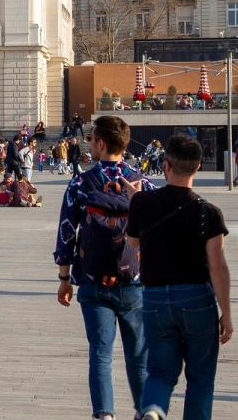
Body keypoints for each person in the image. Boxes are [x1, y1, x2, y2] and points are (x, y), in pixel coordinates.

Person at [125, 135, 232, 420]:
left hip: (155, 297)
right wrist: (227, 314)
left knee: (159, 370)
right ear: (197, 168)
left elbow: (133, 243)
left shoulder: (143, 202)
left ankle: (153, 409)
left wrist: (134, 202)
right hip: (197, 298)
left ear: (165, 165)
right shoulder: (209, 212)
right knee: (200, 377)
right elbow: (217, 266)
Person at [54, 116, 152, 420]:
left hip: (94, 280)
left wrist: (64, 278)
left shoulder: (81, 182)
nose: (89, 143)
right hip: (134, 281)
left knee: (100, 353)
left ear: (101, 143)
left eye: (92, 138)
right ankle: (145, 410)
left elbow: (67, 230)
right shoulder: (143, 183)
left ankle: (104, 414)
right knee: (138, 355)